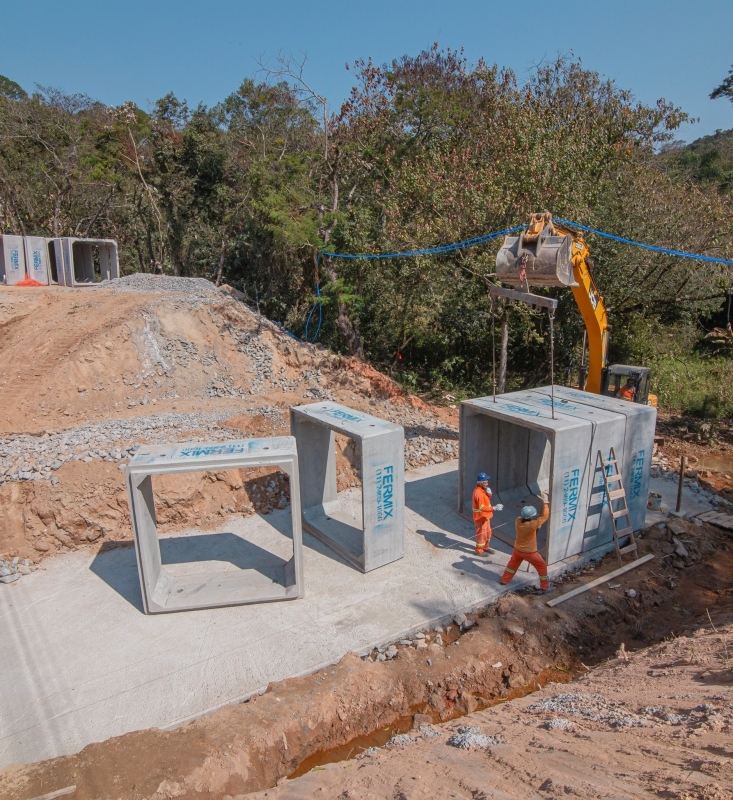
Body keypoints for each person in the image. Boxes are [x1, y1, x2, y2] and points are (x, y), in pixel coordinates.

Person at [500, 494, 550, 591]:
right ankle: (544, 586)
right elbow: (545, 516)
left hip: (517, 550)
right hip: (530, 552)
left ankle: (504, 580)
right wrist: (546, 503)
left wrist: (536, 525)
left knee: (512, 565)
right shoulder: (533, 524)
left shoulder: (518, 521)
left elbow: (525, 520)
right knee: (542, 566)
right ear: (531, 516)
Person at [472, 473, 503, 556]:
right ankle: (479, 551)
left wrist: (489, 494)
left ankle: (486, 547)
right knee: (482, 535)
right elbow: (482, 507)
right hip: (480, 518)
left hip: (485, 517)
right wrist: (494, 508)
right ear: (481, 483)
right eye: (485, 482)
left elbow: (485, 500)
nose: (487, 484)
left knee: (488, 533)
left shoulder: (482, 491)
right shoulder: (478, 493)